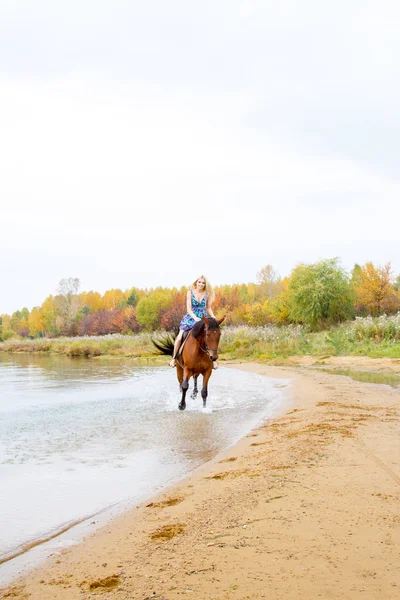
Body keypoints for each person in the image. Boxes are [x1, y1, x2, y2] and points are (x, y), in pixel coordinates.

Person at [169, 275, 218, 369]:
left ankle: (214, 361)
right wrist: (195, 318)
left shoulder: (207, 294)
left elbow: (208, 308)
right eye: (199, 282)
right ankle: (174, 358)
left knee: (212, 337)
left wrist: (213, 316)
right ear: (196, 282)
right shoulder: (190, 293)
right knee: (179, 337)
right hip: (191, 317)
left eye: (203, 283)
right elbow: (189, 309)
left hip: (203, 317)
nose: (201, 284)